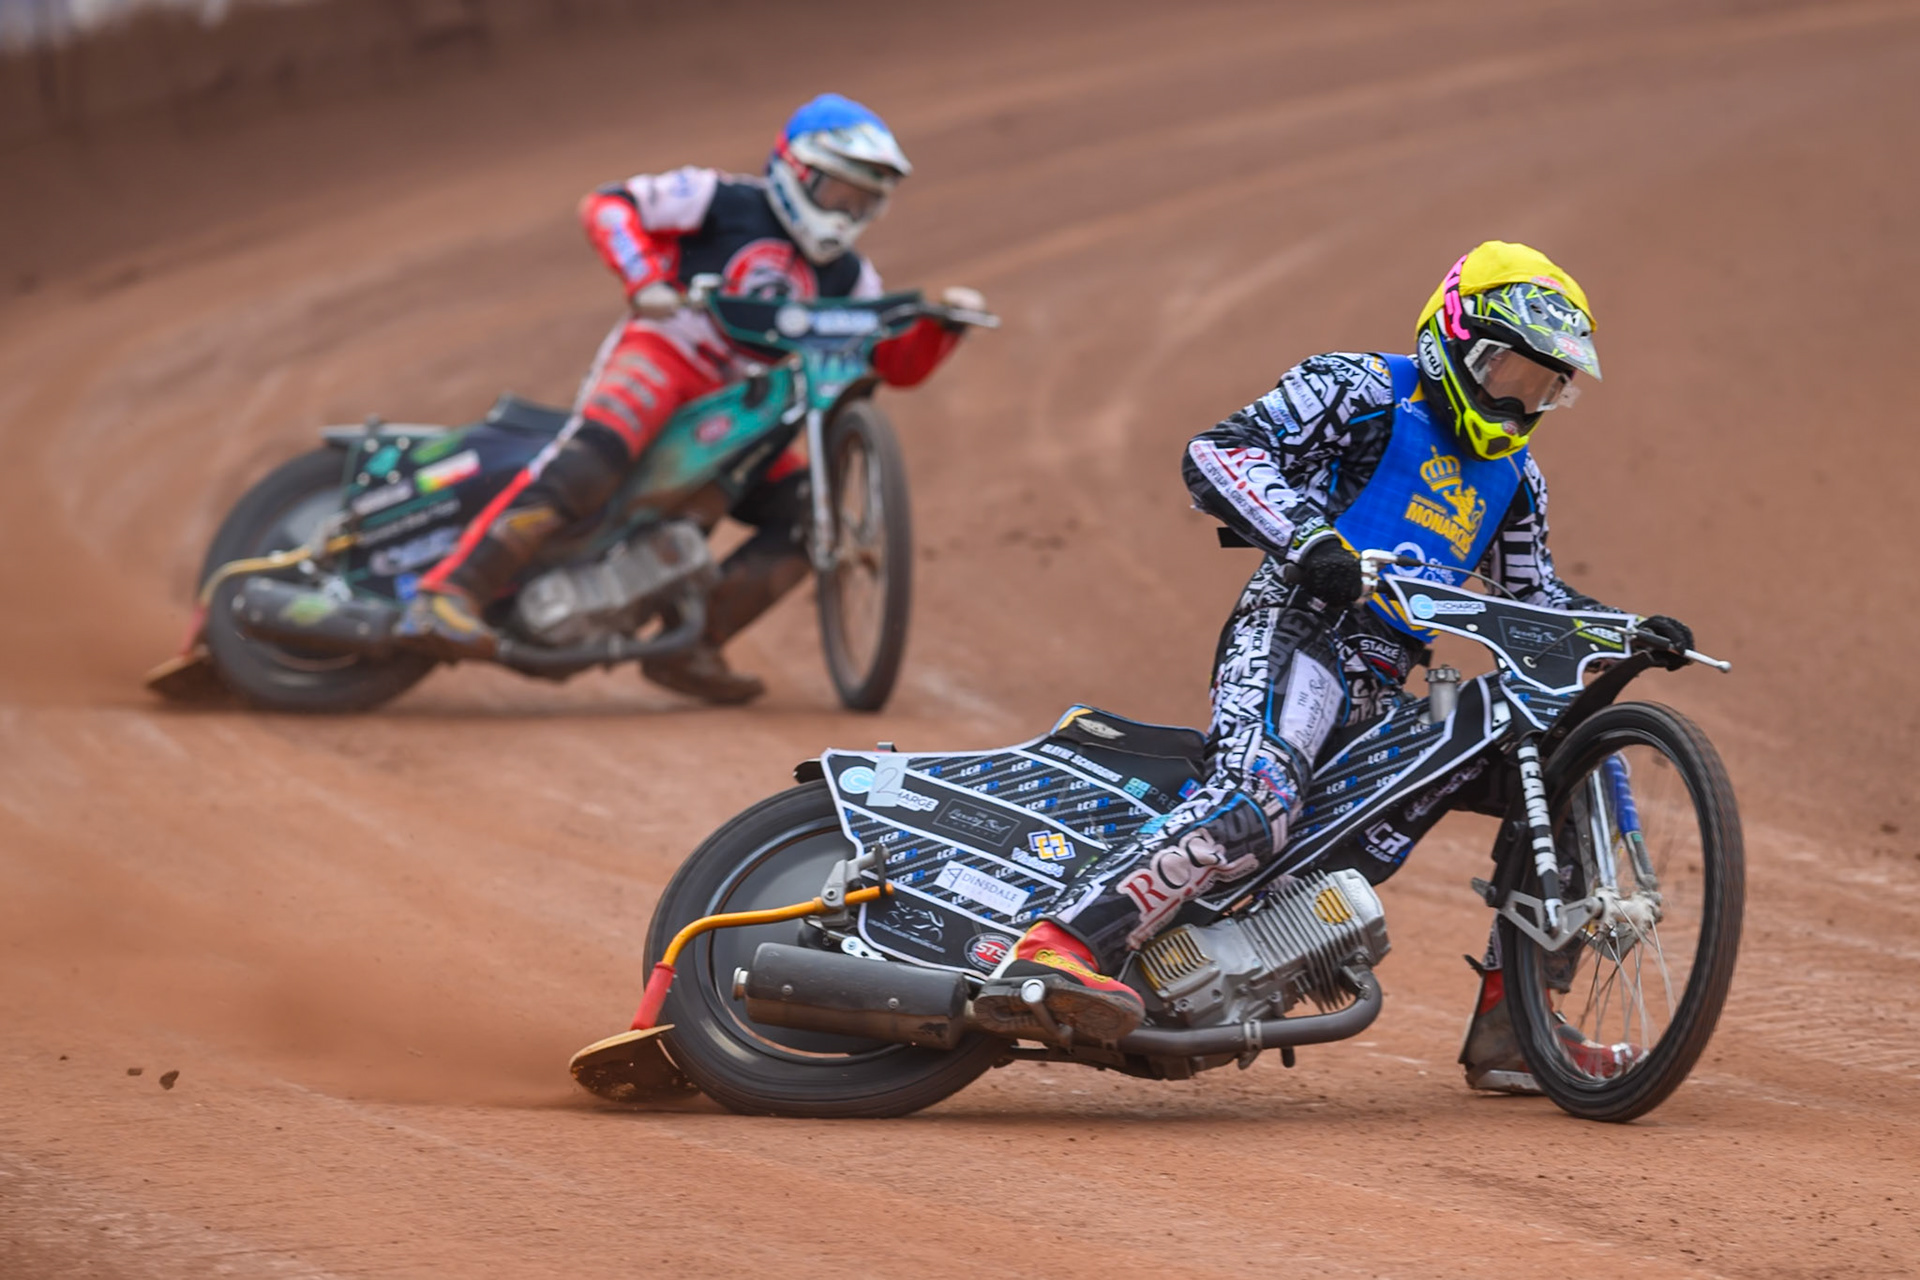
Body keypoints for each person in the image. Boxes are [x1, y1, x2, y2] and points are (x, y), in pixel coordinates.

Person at [972, 241, 1695, 1083]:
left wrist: (1623, 630)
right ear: (1453, 339)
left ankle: (1514, 1025)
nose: (1517, 401)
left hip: (1387, 686)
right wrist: (1311, 537)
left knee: (1562, 770)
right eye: (1508, 372)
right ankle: (1053, 951)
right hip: (1298, 630)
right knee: (1258, 801)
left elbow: (1533, 604)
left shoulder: (1519, 481)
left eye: (1541, 387)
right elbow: (1221, 452)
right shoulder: (1359, 386)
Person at [395, 93, 975, 703]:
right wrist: (645, 279)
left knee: (807, 514)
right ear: (799, 172)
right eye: (839, 193)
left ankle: (693, 645)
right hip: (668, 354)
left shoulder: (852, 278)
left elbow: (888, 361)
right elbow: (608, 205)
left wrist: (944, 327)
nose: (847, 212)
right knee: (592, 461)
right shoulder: (721, 197)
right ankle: (448, 592)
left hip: (743, 412)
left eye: (863, 201)